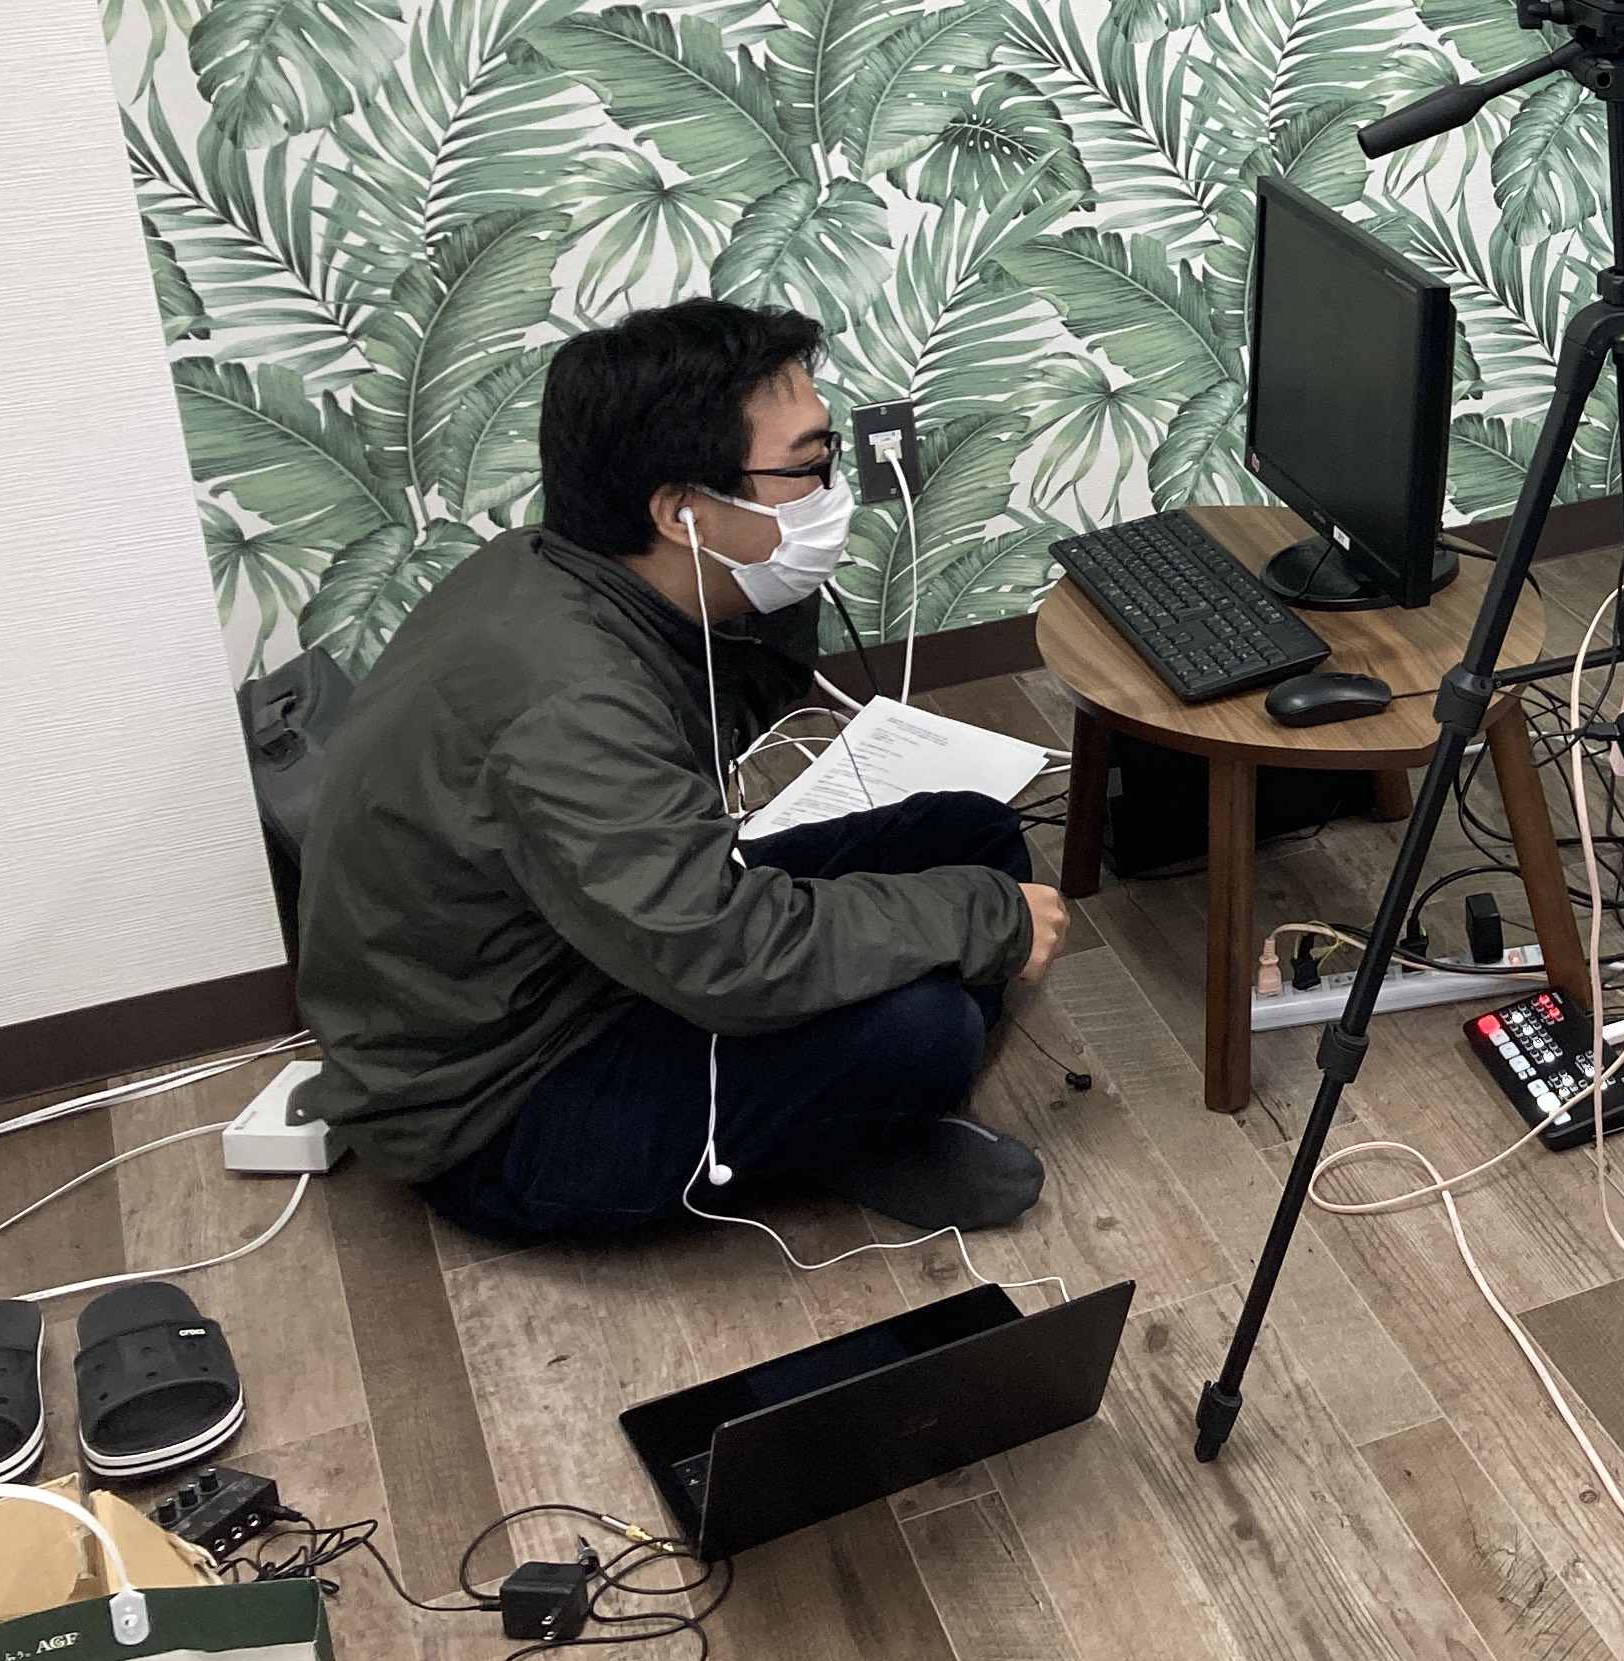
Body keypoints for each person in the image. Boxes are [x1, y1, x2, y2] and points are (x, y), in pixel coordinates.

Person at [295, 298, 1069, 1245]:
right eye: (807, 467)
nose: (832, 491)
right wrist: (978, 919)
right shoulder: (568, 704)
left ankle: (812, 1114)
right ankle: (832, 1128)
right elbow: (726, 955)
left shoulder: (560, 569)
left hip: (600, 950)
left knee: (972, 831)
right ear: (681, 511)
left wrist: (777, 584)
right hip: (501, 1106)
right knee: (927, 1023)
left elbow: (734, 734)